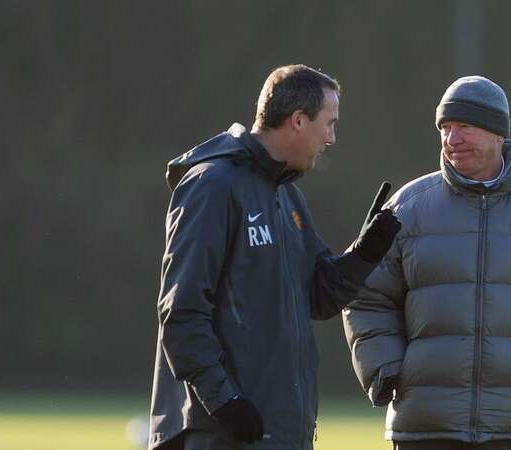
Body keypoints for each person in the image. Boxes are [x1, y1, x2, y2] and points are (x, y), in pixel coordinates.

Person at [342, 76, 511, 450]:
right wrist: (387, 373)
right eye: (446, 128)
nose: (452, 140)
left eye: (464, 127)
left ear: (498, 134)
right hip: (424, 426)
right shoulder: (406, 208)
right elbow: (365, 297)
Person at [149, 64, 401, 450]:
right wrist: (225, 402)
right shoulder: (212, 185)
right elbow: (181, 311)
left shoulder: (287, 196)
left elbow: (318, 297)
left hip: (277, 433)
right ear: (298, 121)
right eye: (329, 124)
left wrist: (365, 253)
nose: (332, 138)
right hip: (219, 432)